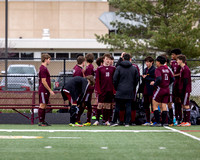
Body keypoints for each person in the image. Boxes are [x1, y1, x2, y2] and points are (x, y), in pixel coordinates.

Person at [112, 53, 139, 126]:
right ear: (130, 59)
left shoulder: (119, 68)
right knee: (128, 106)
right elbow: (137, 79)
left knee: (117, 107)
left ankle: (115, 121)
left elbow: (115, 79)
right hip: (129, 89)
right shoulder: (134, 68)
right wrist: (133, 87)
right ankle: (127, 122)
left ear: (123, 58)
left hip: (120, 89)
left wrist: (116, 87)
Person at [150, 56, 174, 126]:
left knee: (154, 105)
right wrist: (167, 84)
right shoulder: (168, 69)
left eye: (156, 61)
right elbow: (172, 79)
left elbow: (159, 78)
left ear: (159, 62)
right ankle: (164, 122)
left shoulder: (158, 69)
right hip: (167, 89)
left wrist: (154, 83)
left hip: (160, 89)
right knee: (164, 105)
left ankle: (158, 122)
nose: (156, 63)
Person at [93, 53, 115, 126]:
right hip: (102, 90)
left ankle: (107, 120)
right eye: (106, 59)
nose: (108, 61)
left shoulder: (113, 68)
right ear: (103, 60)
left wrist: (114, 90)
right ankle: (97, 120)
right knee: (100, 105)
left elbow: (114, 80)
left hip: (110, 90)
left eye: (109, 59)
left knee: (108, 106)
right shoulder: (99, 69)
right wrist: (98, 90)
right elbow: (97, 81)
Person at [38, 53, 55, 126]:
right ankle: (41, 121)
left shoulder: (44, 68)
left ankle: (43, 121)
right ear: (45, 59)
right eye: (49, 59)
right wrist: (50, 90)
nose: (49, 61)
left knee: (44, 105)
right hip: (43, 90)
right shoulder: (43, 68)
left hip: (45, 90)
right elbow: (43, 81)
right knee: (42, 105)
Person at [140, 56, 155, 126]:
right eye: (146, 62)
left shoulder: (154, 69)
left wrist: (147, 77)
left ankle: (153, 120)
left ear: (152, 62)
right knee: (146, 105)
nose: (147, 63)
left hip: (152, 90)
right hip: (145, 90)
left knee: (153, 105)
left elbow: (155, 79)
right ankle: (147, 120)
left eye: (148, 62)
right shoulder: (145, 69)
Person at [177, 55, 191, 127]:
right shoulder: (182, 69)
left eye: (178, 60)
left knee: (186, 105)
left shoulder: (186, 69)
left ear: (181, 61)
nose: (177, 61)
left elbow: (185, 81)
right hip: (182, 89)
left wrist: (183, 90)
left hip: (185, 90)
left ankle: (188, 121)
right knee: (183, 105)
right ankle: (184, 121)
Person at [81, 53, 95, 126]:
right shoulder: (90, 66)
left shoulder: (89, 67)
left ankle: (88, 120)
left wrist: (83, 74)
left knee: (86, 103)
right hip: (89, 88)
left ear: (86, 59)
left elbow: (88, 78)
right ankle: (86, 120)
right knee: (86, 103)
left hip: (88, 88)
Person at [170, 49, 182, 124]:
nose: (172, 56)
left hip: (179, 84)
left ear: (177, 55)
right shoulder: (173, 62)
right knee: (174, 101)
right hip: (174, 84)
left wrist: (174, 75)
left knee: (179, 101)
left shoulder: (181, 62)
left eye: (173, 55)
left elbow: (182, 73)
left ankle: (180, 117)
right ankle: (175, 117)